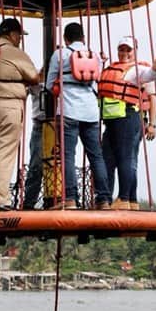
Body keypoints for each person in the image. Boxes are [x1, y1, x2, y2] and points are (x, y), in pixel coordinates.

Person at [0, 18, 42, 212]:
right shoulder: (15, 53)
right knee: (5, 153)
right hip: (9, 107)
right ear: (11, 34)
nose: (20, 39)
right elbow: (34, 77)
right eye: (19, 35)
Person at [99, 36, 156, 210]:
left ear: (135, 51)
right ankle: (129, 200)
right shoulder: (112, 69)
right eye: (121, 49)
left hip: (129, 118)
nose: (124, 53)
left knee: (126, 158)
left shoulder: (136, 70)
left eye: (128, 50)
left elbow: (153, 76)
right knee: (112, 159)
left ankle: (124, 198)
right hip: (112, 121)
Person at [46, 22, 111, 210]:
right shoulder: (95, 55)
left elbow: (50, 85)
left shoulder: (60, 54)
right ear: (83, 38)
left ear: (66, 39)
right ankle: (104, 199)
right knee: (96, 156)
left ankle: (71, 200)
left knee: (68, 155)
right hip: (90, 111)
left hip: (68, 110)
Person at [22, 75, 45, 210]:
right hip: (40, 125)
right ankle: (29, 202)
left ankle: (64, 199)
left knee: (60, 164)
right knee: (36, 166)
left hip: (59, 125)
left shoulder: (63, 79)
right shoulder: (35, 80)